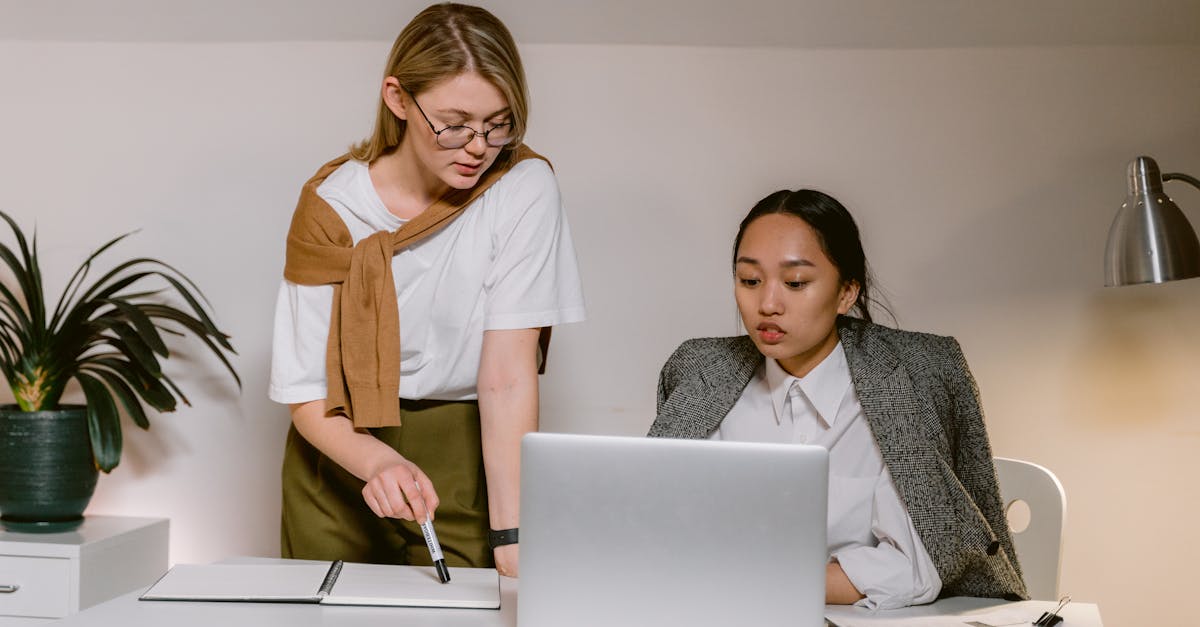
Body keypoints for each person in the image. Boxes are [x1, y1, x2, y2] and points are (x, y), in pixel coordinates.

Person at [269, 3, 585, 578]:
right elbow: (306, 391)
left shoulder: (522, 187)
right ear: (398, 99)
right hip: (341, 450)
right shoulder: (331, 207)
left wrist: (514, 537)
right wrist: (376, 459)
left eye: (498, 122)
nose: (477, 146)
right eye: (455, 121)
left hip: (469, 448)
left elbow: (508, 374)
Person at [647, 189, 1026, 608]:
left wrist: (753, 582)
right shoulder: (698, 372)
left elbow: (920, 563)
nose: (767, 304)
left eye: (795, 283)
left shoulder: (911, 379)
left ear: (846, 292)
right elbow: (657, 527)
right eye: (749, 281)